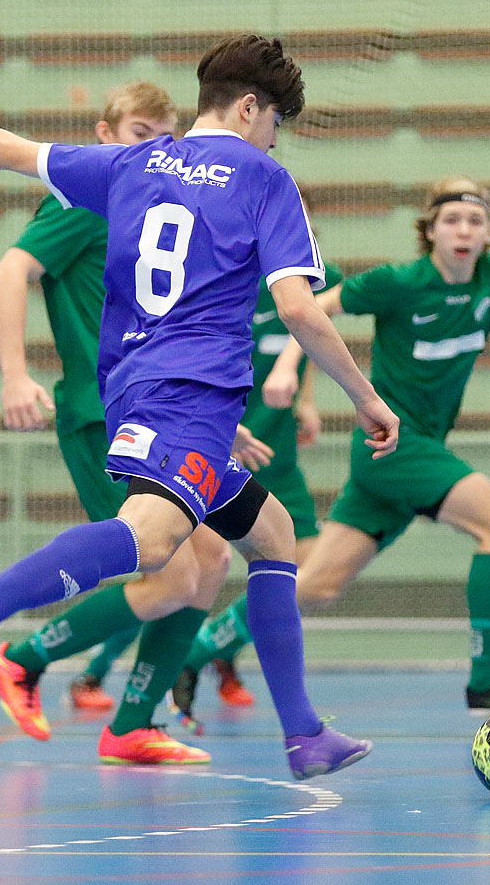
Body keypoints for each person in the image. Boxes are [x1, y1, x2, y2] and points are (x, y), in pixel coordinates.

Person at [0, 34, 399, 780]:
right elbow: (297, 307)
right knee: (153, 541)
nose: (273, 138)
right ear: (252, 108)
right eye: (275, 122)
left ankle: (302, 733)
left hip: (140, 384)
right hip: (189, 395)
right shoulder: (266, 179)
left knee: (271, 534)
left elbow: (5, 151)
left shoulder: (134, 163)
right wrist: (365, 396)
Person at [0, 80, 259, 765]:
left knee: (212, 561)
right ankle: (21, 659)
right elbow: (9, 270)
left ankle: (133, 722)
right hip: (100, 414)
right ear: (103, 136)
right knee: (167, 574)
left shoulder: (152, 210)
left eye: (160, 138)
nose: (150, 149)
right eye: (137, 133)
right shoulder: (86, 201)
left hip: (161, 411)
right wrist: (15, 375)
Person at [258, 175, 490, 714]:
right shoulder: (400, 282)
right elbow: (313, 308)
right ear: (431, 231)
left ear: (488, 234)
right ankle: (486, 681)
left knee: (314, 585)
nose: (464, 230)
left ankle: (203, 649)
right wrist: (286, 366)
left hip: (401, 460)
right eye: (452, 220)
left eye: (475, 221)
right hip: (395, 442)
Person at [169, 257, 343, 733]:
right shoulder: (218, 277)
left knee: (309, 574)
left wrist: (305, 400)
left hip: (276, 454)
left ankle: (213, 648)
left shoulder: (308, 283)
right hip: (220, 446)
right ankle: (111, 672)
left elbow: (307, 337)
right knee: (185, 569)